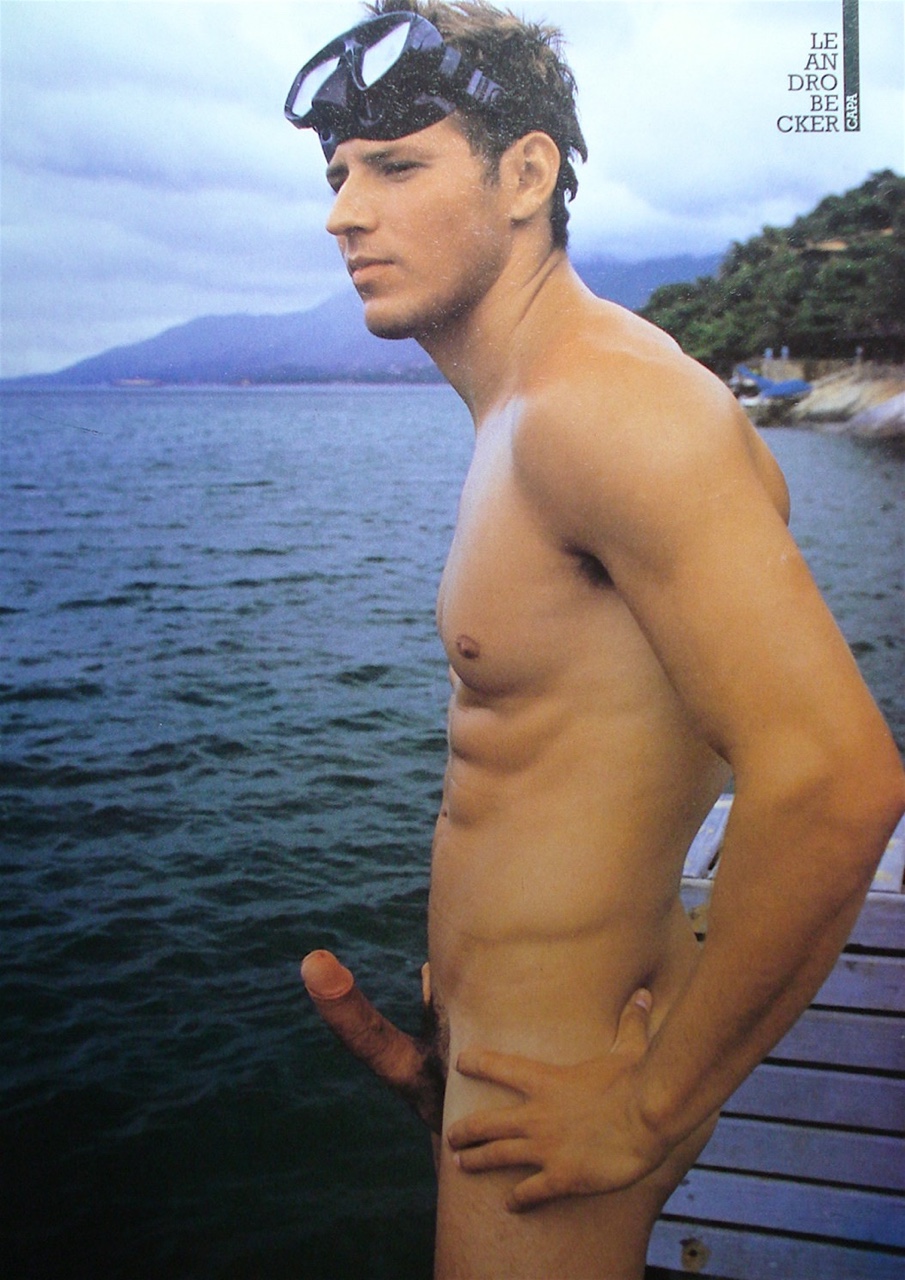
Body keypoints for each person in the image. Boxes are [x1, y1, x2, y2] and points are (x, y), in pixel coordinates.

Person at [285, 4, 905, 1277]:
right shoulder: (530, 407)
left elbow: (837, 782)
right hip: (513, 1057)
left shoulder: (604, 408)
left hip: (567, 1076)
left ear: (525, 174)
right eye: (338, 174)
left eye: (394, 166)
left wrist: (644, 1109)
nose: (344, 212)